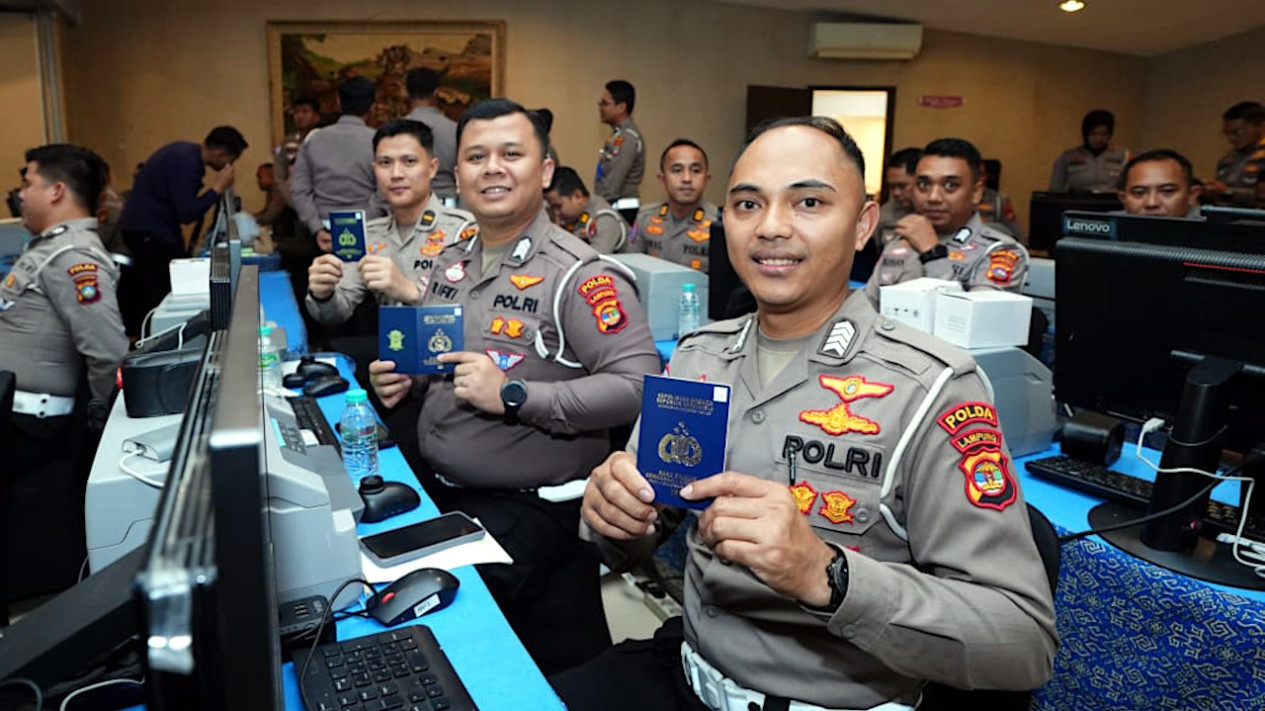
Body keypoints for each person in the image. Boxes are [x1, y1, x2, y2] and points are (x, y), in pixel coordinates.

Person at [553, 116, 1057, 711]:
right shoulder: (697, 357)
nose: (771, 226)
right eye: (748, 204)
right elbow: (635, 540)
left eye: (809, 202)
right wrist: (616, 519)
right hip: (684, 672)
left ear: (863, 224)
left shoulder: (933, 389)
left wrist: (827, 575)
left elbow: (1022, 641)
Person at [367, 99, 660, 675]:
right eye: (477, 157)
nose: (493, 168)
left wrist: (514, 395)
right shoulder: (450, 262)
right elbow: (441, 364)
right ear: (459, 175)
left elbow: (639, 386)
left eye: (511, 154)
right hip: (449, 490)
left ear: (545, 170)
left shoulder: (580, 275)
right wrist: (407, 378)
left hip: (532, 510)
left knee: (439, 639)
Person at [1, 144, 129, 600]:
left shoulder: (74, 257)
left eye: (27, 183)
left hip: (23, 424)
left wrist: (97, 422)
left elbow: (108, 352)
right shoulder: (51, 248)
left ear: (56, 191)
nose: (20, 193)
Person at [306, 119, 474, 325]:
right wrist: (323, 294)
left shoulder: (463, 230)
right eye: (385, 163)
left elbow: (481, 311)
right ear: (374, 169)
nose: (396, 174)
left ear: (432, 168)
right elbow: (336, 313)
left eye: (409, 162)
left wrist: (413, 293)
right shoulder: (368, 235)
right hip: (392, 343)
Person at [865, 138, 1029, 306]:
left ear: (976, 192)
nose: (933, 197)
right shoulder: (902, 239)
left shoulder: (1000, 252)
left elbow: (975, 318)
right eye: (924, 184)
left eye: (950, 185)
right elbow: (868, 304)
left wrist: (933, 253)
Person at [117, 125, 245, 336]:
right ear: (218, 153)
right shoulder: (187, 163)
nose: (229, 167)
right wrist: (217, 188)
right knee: (159, 294)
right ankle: (157, 341)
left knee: (155, 289)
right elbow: (187, 213)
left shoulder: (183, 153)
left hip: (146, 229)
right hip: (150, 233)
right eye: (230, 160)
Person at [291, 76, 386, 254]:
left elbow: (299, 190)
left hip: (321, 233)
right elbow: (384, 191)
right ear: (372, 106)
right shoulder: (379, 142)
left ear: (338, 101)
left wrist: (316, 227)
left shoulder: (313, 140)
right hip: (368, 230)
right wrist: (363, 223)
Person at [630, 139, 718, 272]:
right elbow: (631, 268)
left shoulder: (719, 223)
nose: (687, 178)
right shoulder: (645, 217)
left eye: (695, 170)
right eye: (677, 170)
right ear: (662, 179)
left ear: (706, 179)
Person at [404, 68, 459, 203]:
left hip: (410, 199)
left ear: (406, 93)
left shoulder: (396, 132)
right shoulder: (454, 129)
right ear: (436, 92)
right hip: (448, 200)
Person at [545, 166, 627, 254]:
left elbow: (595, 260)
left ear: (577, 196)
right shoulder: (576, 216)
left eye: (558, 206)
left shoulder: (605, 220)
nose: (556, 212)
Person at [595, 79, 645, 219]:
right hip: (614, 209)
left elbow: (613, 184)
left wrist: (598, 208)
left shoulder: (627, 138)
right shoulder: (618, 135)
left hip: (621, 212)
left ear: (621, 107)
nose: (600, 108)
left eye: (605, 104)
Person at [1048, 109, 1128, 193]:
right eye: (1094, 134)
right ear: (1086, 134)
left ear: (1110, 134)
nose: (1099, 139)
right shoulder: (1067, 157)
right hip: (1078, 199)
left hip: (1110, 198)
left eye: (1103, 134)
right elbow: (1055, 189)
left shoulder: (1122, 157)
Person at [1204, 101, 1265, 208]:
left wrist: (1227, 191)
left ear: (1260, 126)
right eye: (1227, 133)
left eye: (1238, 132)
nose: (1231, 138)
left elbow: (1261, 198)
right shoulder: (1229, 158)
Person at [1118, 149, 1203, 218]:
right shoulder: (1110, 226)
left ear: (1192, 195)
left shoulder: (1209, 231)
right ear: (1123, 198)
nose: (1152, 203)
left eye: (1167, 191)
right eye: (1139, 192)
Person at [876, 147, 921, 246]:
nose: (896, 193)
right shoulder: (886, 212)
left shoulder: (938, 214)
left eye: (902, 186)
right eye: (892, 187)